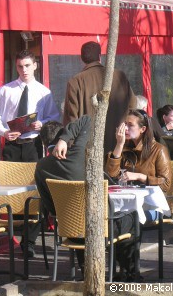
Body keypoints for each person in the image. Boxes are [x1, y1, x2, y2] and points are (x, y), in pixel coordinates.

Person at [35, 117, 138, 279]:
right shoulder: (78, 155)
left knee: (77, 218)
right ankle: (131, 273)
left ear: (43, 143)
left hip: (70, 229)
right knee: (132, 218)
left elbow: (51, 206)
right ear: (65, 137)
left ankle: (87, 273)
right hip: (100, 227)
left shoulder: (41, 166)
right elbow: (88, 119)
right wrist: (64, 139)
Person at [63, 41, 136, 155]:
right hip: (118, 143)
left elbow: (72, 118)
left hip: (88, 147)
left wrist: (70, 146)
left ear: (81, 58)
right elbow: (133, 106)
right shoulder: (119, 76)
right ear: (99, 56)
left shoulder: (75, 81)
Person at [0, 50, 60, 162]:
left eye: (27, 65)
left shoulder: (44, 92)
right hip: (11, 144)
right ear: (16, 67)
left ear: (35, 66)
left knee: (33, 179)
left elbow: (53, 117)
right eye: (20, 66)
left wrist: (41, 124)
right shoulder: (6, 90)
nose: (24, 70)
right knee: (10, 179)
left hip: (34, 144)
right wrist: (3, 132)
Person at [106, 109, 171, 195]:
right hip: (126, 197)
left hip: (149, 200)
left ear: (142, 129)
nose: (125, 128)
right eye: (125, 124)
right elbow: (111, 175)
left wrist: (139, 176)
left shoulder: (158, 150)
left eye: (130, 125)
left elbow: (166, 184)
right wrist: (119, 144)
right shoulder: (124, 147)